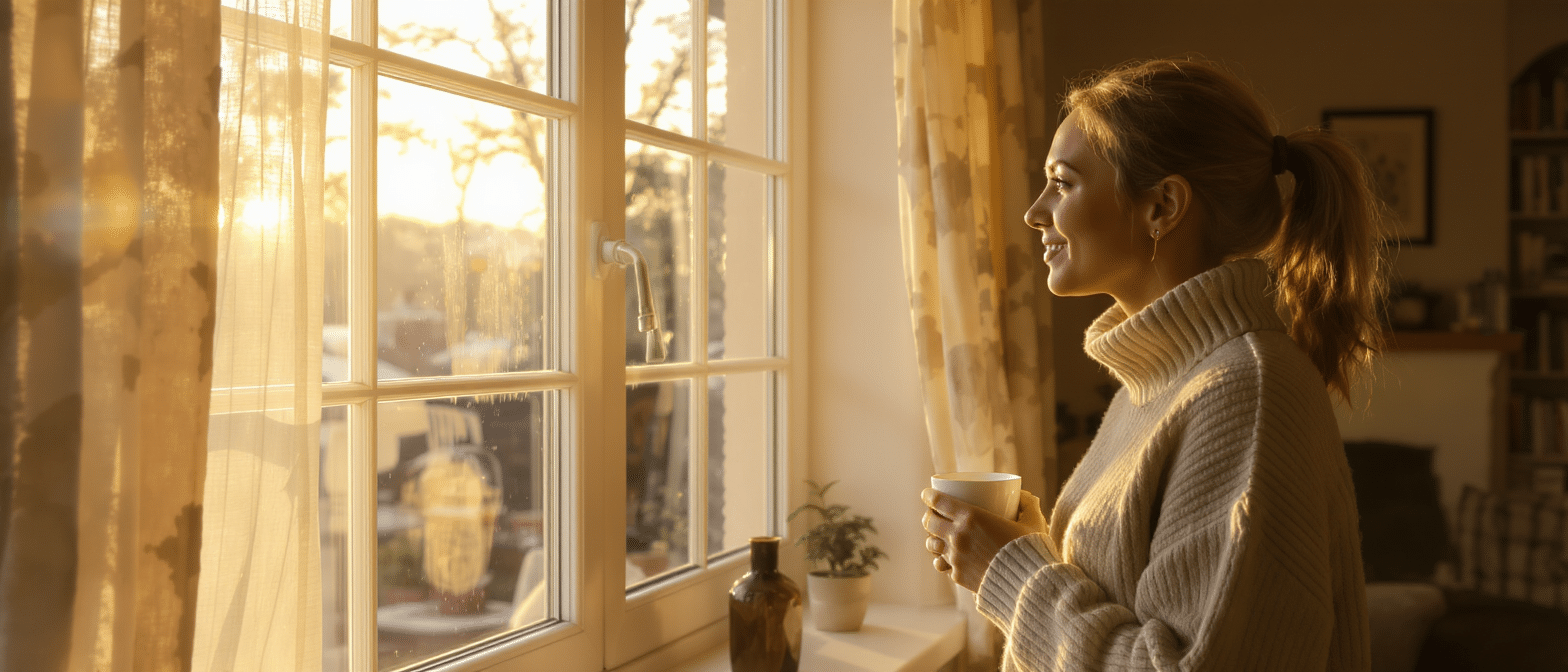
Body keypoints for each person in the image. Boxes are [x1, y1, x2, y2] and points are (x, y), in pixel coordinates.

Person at [920, 57, 1383, 671]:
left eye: (1062, 182)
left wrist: (1010, 573)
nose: (1035, 212)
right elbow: (1131, 611)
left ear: (1162, 206)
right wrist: (1036, 551)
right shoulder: (1162, 382)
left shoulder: (1244, 392)